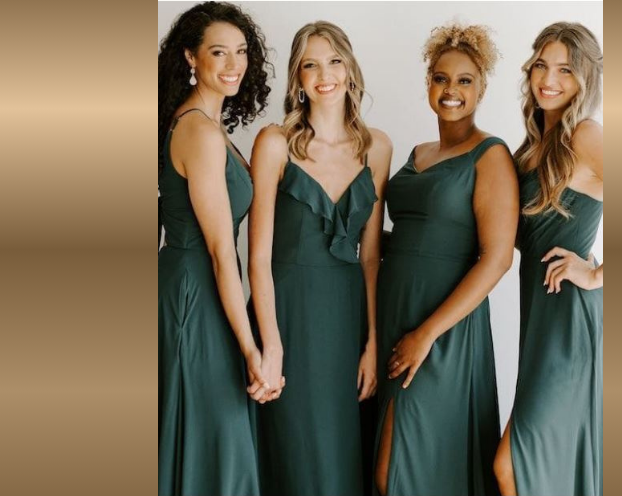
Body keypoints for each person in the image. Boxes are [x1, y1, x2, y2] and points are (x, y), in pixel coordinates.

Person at [247, 21, 392, 496]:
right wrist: (271, 346)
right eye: (310, 64)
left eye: (333, 61)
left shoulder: (378, 148)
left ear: (350, 68)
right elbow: (259, 258)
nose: (323, 74)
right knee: (294, 449)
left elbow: (371, 257)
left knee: (342, 450)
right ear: (298, 77)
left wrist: (372, 342)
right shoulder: (274, 143)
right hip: (287, 312)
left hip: (346, 316)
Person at [374, 23, 519, 496]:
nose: (451, 90)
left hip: (444, 329)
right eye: (440, 78)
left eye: (464, 80)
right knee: (382, 456)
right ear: (428, 84)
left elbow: (496, 259)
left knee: (403, 466)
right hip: (395, 312)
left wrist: (426, 335)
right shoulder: (418, 152)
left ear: (481, 88)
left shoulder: (490, 155)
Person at [157, 2, 275, 495]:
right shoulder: (199, 132)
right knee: (215, 431)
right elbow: (222, 252)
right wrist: (253, 348)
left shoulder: (209, 125)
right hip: (195, 292)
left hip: (202, 288)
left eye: (242, 52)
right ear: (190, 57)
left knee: (213, 433)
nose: (233, 64)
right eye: (219, 53)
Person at [493, 21, 604, 496]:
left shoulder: (585, 134)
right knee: (540, 462)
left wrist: (597, 274)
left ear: (585, 80)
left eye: (565, 69)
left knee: (512, 465)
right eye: (541, 64)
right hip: (539, 319)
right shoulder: (534, 146)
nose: (548, 79)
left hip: (570, 323)